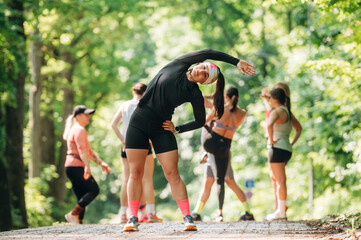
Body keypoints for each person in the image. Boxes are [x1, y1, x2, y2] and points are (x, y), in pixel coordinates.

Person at [123, 49, 255, 232]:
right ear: (198, 64)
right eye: (203, 67)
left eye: (205, 75)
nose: (201, 71)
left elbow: (201, 121)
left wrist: (177, 129)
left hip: (162, 128)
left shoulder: (194, 93)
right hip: (138, 122)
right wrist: (236, 61)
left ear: (204, 81)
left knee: (172, 174)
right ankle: (132, 218)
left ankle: (188, 218)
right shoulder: (179, 64)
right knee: (135, 172)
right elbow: (208, 52)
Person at [191, 87, 254, 222]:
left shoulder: (220, 109)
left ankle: (245, 212)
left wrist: (212, 95)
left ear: (225, 96)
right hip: (224, 146)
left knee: (229, 182)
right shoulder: (242, 113)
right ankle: (196, 212)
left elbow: (204, 119)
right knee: (208, 182)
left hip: (215, 148)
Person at [111, 83, 162, 224]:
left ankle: (123, 214)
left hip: (127, 146)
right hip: (143, 144)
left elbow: (113, 124)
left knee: (127, 179)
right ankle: (150, 213)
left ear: (133, 92)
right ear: (145, 92)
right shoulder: (147, 105)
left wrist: (123, 140)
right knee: (146, 179)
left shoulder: (125, 105)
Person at [63, 105, 112, 224]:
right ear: (78, 116)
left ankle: (79, 222)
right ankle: (73, 214)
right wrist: (87, 167)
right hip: (76, 166)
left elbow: (89, 151)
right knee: (94, 190)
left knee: (82, 196)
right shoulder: (79, 130)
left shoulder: (75, 129)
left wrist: (101, 163)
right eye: (86, 114)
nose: (88, 117)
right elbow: (82, 151)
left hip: (70, 167)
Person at [261, 85, 302, 221]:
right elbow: (299, 128)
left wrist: (271, 141)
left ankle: (281, 212)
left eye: (270, 99)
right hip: (286, 149)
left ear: (274, 99)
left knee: (280, 181)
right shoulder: (287, 112)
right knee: (278, 179)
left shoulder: (277, 111)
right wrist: (291, 143)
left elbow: (268, 124)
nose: (269, 101)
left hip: (276, 149)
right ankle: (280, 210)